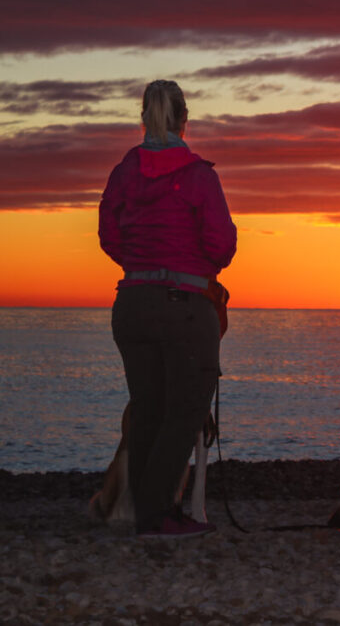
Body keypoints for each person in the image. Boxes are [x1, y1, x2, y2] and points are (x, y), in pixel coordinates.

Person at [98, 80, 236, 538]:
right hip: (185, 305)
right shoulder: (198, 176)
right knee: (185, 412)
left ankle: (148, 512)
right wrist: (185, 266)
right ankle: (157, 515)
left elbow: (109, 236)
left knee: (148, 411)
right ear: (183, 120)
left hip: (132, 303)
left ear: (144, 119)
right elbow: (222, 244)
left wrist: (143, 266)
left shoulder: (124, 171)